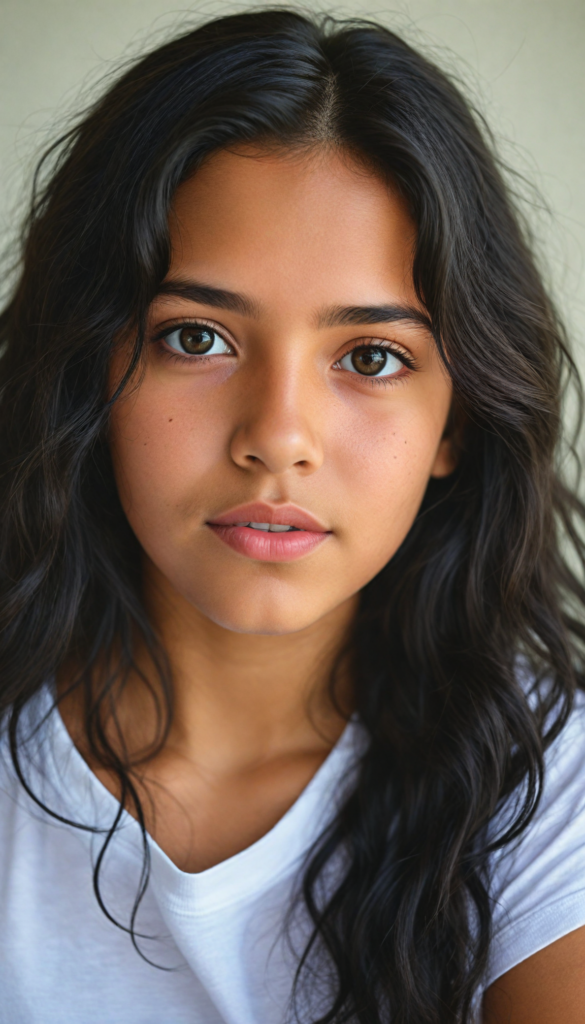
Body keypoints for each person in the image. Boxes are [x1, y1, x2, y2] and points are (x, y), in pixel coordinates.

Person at [1, 8, 584, 1022]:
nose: (278, 437)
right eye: (196, 337)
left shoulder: (549, 780)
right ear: (90, 370)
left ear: (458, 420)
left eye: (370, 358)